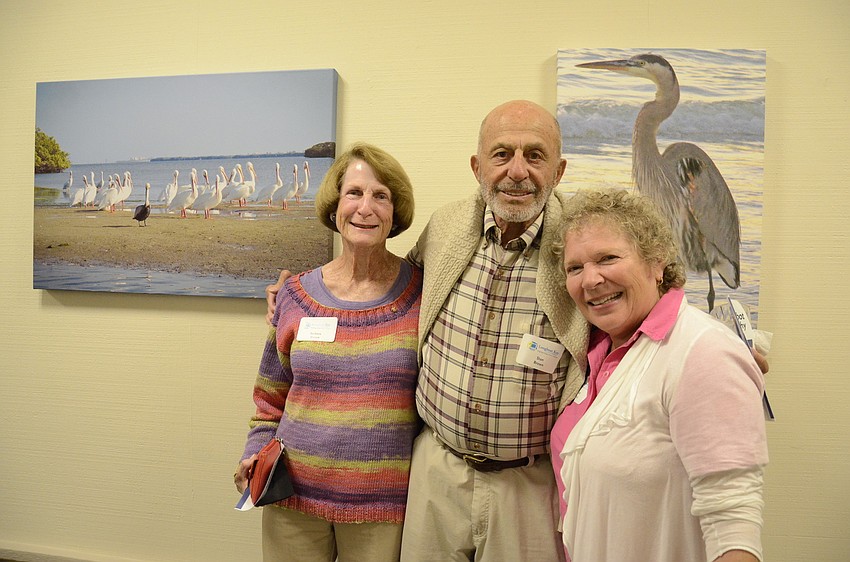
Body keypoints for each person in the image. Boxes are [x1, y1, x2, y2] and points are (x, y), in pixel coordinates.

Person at [264, 100, 769, 561]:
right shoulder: (445, 227)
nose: (517, 171)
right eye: (501, 154)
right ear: (477, 167)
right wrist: (300, 292)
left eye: (535, 155)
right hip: (435, 472)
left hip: (526, 485)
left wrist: (728, 344)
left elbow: (638, 302)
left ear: (559, 170)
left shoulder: (578, 241)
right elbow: (388, 290)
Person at [552, 188, 768, 562]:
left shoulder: (704, 353)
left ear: (657, 263)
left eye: (608, 258)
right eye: (575, 267)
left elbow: (733, 525)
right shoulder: (607, 352)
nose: (590, 280)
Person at [235, 142, 422, 562]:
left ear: (395, 213)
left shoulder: (422, 293)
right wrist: (253, 453)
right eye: (354, 193)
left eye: (381, 196)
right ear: (335, 205)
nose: (365, 208)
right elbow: (269, 399)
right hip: (292, 498)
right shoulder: (295, 294)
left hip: (383, 507)